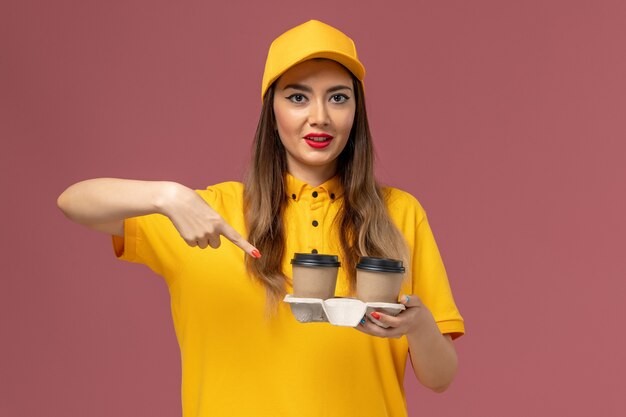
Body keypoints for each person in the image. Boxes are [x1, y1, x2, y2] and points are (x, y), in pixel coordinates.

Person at [57, 19, 464, 417]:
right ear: (271, 110)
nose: (319, 116)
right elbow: (73, 202)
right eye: (298, 97)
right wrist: (165, 195)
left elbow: (440, 377)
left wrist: (419, 324)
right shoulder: (211, 214)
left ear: (357, 110)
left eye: (338, 97)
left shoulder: (400, 214)